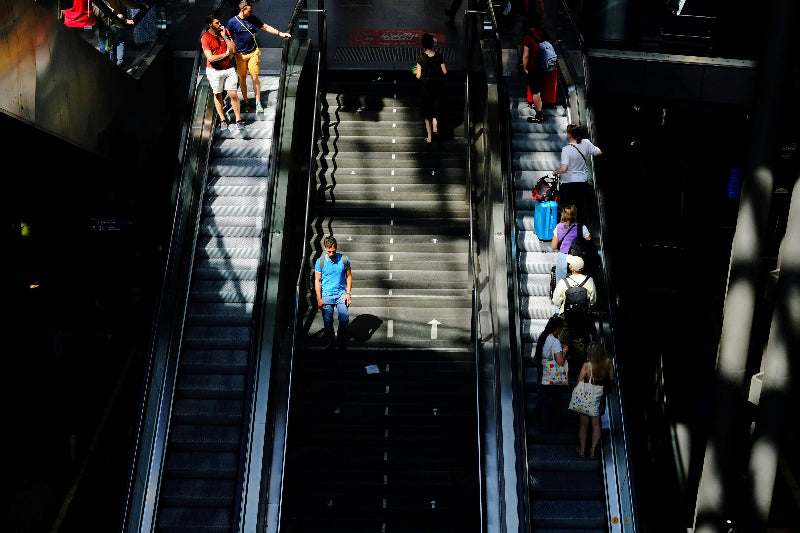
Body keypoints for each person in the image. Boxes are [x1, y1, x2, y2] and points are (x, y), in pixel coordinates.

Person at [227, 1, 290, 113]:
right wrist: (230, 48)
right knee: (242, 78)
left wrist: (280, 33)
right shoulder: (232, 22)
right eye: (249, 11)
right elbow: (227, 35)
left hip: (253, 52)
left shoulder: (252, 18)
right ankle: (246, 101)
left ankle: (258, 101)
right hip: (240, 55)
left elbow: (265, 27)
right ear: (243, 10)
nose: (251, 12)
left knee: (254, 77)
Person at [552, 254, 596, 379]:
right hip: (583, 319)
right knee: (580, 343)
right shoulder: (590, 281)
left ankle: (561, 373)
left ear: (572, 268)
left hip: (566, 318)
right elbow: (593, 301)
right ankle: (579, 373)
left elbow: (556, 301)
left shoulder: (563, 282)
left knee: (562, 343)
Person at [202, 14, 245, 132]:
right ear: (210, 24)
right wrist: (225, 55)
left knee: (233, 94)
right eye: (217, 23)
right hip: (214, 71)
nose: (220, 25)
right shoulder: (205, 38)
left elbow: (234, 49)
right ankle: (222, 119)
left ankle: (238, 119)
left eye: (220, 22)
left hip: (229, 69)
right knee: (218, 94)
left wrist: (225, 37)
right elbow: (210, 58)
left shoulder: (224, 32)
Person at [552, 124, 602, 223]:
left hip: (568, 185)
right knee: (578, 209)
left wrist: (555, 172)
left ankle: (566, 232)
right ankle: (578, 233)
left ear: (569, 135)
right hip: (582, 184)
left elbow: (564, 169)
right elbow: (599, 152)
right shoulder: (587, 143)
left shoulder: (567, 149)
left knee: (566, 209)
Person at [575, 343, 614, 458]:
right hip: (599, 396)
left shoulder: (587, 365)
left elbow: (579, 382)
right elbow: (611, 378)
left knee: (583, 424)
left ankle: (582, 449)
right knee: (596, 424)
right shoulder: (607, 362)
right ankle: (592, 450)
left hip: (587, 396)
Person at [314, 236, 353, 349]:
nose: (331, 253)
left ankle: (341, 339)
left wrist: (348, 293)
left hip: (341, 294)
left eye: (334, 251)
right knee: (328, 322)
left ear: (336, 248)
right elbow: (317, 281)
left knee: (344, 319)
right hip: (326, 295)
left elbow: (349, 276)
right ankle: (330, 341)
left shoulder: (344, 259)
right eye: (329, 251)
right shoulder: (320, 262)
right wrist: (319, 298)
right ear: (325, 248)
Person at [535, 316, 569, 432]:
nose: (561, 331)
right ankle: (552, 426)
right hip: (552, 374)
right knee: (553, 401)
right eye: (561, 328)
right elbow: (560, 362)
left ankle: (541, 424)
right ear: (557, 328)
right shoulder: (555, 341)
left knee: (543, 398)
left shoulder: (542, 337)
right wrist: (564, 352)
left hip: (542, 371)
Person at [92, 0, 149, 66]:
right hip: (117, 18)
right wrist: (142, 5)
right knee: (119, 41)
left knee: (109, 42)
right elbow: (128, 4)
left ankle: (111, 63)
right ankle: (119, 63)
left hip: (105, 20)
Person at [415, 33, 447, 144]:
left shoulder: (420, 58)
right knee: (435, 110)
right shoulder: (439, 56)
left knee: (426, 113)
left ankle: (429, 136)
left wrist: (416, 72)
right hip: (437, 87)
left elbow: (418, 75)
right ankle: (435, 128)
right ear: (433, 44)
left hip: (426, 89)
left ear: (423, 44)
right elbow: (445, 71)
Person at [551, 205, 591, 287]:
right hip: (578, 259)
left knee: (561, 284)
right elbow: (589, 244)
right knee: (579, 283)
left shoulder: (559, 227)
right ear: (575, 215)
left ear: (563, 215)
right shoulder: (582, 228)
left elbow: (554, 246)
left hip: (563, 258)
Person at [521, 10, 547, 124]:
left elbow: (526, 55)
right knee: (538, 91)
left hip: (533, 67)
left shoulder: (528, 37)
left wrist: (525, 67)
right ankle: (539, 113)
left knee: (535, 92)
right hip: (543, 66)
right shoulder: (544, 33)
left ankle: (539, 116)